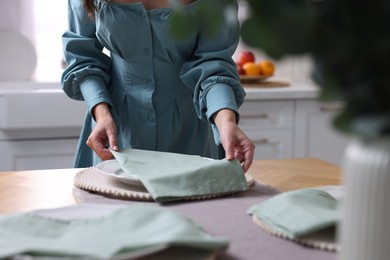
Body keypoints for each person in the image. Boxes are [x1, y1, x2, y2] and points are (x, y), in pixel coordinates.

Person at [61, 0, 255, 172]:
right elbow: (83, 58)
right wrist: (101, 114)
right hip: (115, 133)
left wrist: (226, 123)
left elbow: (214, 65)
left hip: (190, 133)